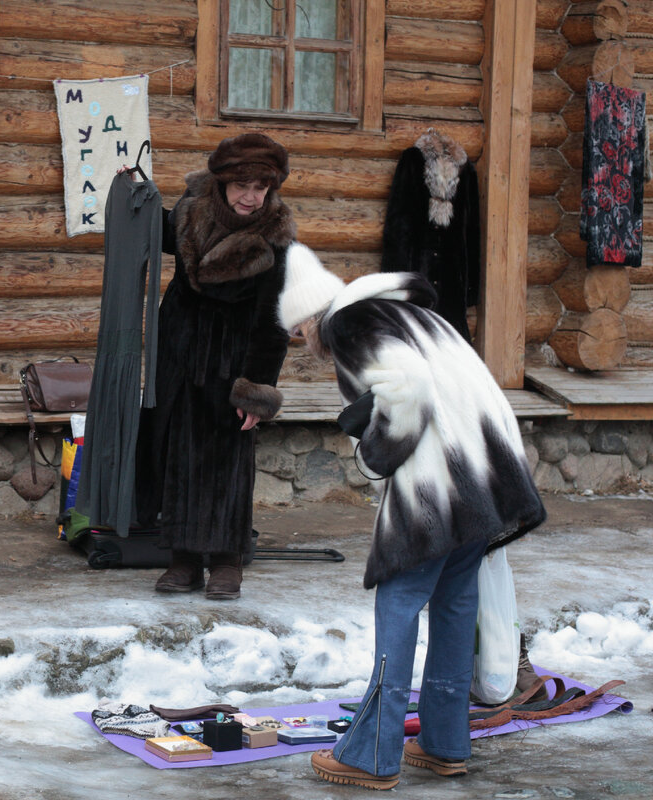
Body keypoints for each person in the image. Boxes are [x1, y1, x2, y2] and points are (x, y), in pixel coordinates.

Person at [276, 243, 546, 790]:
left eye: (299, 334)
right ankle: (445, 743)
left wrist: (375, 450)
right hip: (487, 472)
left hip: (438, 486)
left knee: (398, 602)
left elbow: (409, 389)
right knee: (453, 603)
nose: (304, 347)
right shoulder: (409, 312)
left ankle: (371, 754)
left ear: (309, 318)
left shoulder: (349, 325)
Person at [134, 133, 294, 600]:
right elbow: (157, 235)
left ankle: (227, 562)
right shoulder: (191, 211)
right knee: (177, 454)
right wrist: (134, 194)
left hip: (234, 359)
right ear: (223, 182)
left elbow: (274, 319)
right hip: (179, 352)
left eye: (261, 187)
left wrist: (258, 389)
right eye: (243, 185)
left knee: (227, 460)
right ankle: (182, 561)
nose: (251, 197)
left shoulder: (275, 235)